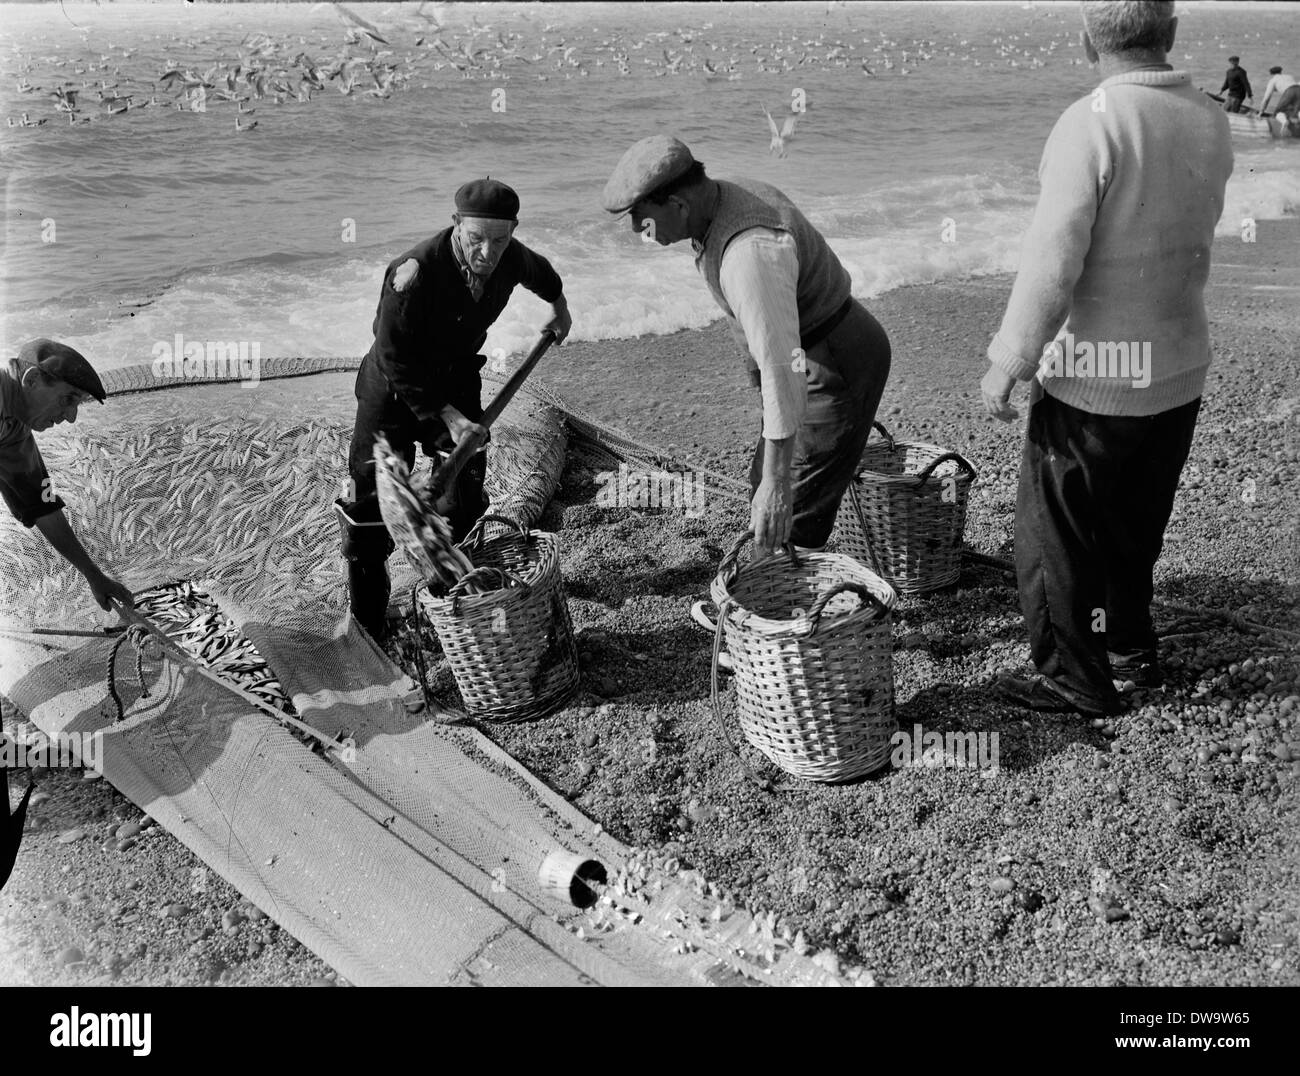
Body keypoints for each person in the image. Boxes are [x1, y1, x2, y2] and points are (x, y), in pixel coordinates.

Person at [980, 0, 1233, 717]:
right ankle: (1127, 646)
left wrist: (1011, 357)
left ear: (1086, 37)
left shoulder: (1091, 120)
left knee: (1055, 535)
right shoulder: (1209, 116)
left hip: (1097, 374)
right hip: (1178, 363)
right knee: (1133, 521)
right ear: (1171, 34)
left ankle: (1072, 678)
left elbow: (1054, 260)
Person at [601, 135, 891, 561]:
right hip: (810, 349)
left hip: (837, 362)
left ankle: (786, 612)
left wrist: (777, 485)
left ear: (679, 205)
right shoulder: (717, 200)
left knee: (790, 507)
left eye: (641, 219)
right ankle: (774, 584)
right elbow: (762, 342)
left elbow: (782, 369)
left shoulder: (748, 252)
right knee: (765, 480)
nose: (635, 231)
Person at [340, 179, 571, 640]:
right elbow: (392, 355)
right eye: (475, 239)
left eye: (499, 240)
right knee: (369, 504)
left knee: (464, 485)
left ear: (512, 232)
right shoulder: (411, 273)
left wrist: (560, 308)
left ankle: (457, 597)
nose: (487, 252)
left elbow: (541, 274)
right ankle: (369, 621)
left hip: (457, 375)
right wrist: (446, 416)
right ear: (456, 225)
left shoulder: (510, 254)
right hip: (393, 388)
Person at [0, 339, 133, 611]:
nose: (71, 417)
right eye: (68, 399)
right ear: (33, 379)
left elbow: (44, 506)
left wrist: (94, 576)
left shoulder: (15, 430)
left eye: (78, 404)